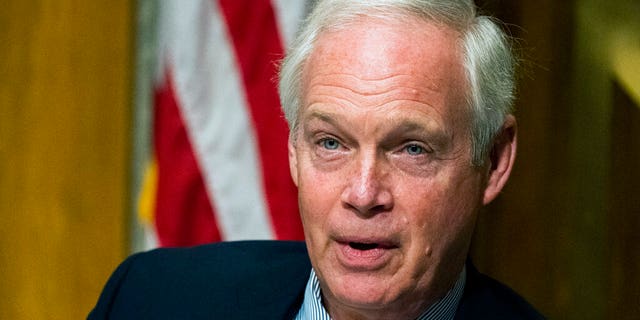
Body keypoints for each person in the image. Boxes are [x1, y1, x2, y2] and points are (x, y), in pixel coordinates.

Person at [89, 0, 544, 319]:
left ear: (495, 159)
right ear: (293, 150)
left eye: (411, 149)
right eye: (331, 143)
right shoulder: (149, 301)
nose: (363, 194)